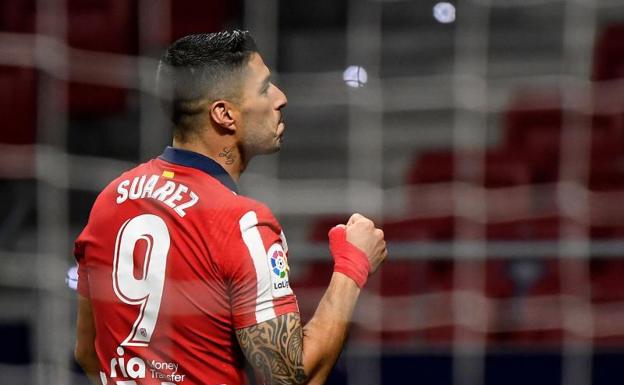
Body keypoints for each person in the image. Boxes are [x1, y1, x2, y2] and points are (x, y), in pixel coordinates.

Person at [74, 30, 387, 385]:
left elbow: (88, 351)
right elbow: (291, 380)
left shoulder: (110, 200)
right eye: (265, 88)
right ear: (224, 114)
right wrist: (351, 267)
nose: (281, 98)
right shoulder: (242, 222)